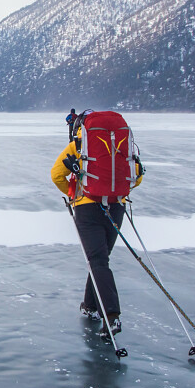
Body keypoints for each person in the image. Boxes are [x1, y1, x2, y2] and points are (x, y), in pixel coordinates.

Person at [51, 111, 140, 335]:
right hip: (116, 207)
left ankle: (111, 316)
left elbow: (57, 175)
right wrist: (116, 193)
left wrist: (74, 194)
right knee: (100, 258)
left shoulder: (79, 145)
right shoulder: (122, 143)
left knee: (97, 260)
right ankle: (90, 305)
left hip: (87, 207)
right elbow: (136, 176)